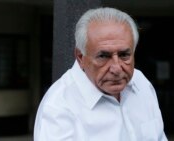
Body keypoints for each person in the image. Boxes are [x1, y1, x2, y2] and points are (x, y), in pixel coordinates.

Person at [34, 7, 167, 141]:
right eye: (103, 56)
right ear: (80, 57)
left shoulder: (141, 83)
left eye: (124, 55)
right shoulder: (58, 106)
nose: (116, 68)